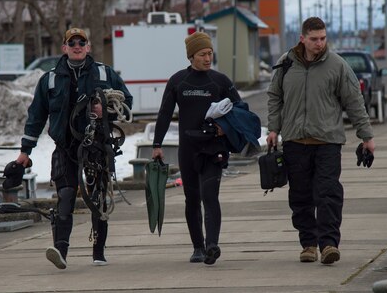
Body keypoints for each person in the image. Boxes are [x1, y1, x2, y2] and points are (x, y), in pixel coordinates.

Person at [16, 27, 132, 270]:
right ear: (64, 48)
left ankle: (98, 252)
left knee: (98, 197)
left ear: (88, 47)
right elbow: (36, 116)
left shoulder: (104, 73)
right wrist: (25, 151)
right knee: (66, 196)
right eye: (72, 42)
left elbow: (127, 101)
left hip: (98, 145)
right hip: (65, 146)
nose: (77, 46)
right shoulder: (49, 79)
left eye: (82, 42)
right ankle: (61, 251)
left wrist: (107, 111)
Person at [266, 17, 376, 265]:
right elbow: (274, 96)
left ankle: (328, 244)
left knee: (327, 194)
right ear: (302, 38)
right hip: (295, 142)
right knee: (301, 197)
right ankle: (308, 244)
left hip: (327, 141)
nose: (319, 43)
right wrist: (273, 128)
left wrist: (366, 136)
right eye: (314, 39)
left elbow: (354, 101)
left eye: (323, 38)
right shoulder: (286, 63)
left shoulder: (337, 65)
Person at [152, 31, 240, 265]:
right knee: (192, 199)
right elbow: (164, 114)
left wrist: (225, 128)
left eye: (210, 53)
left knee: (210, 196)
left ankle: (212, 245)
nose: (208, 58)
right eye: (202, 54)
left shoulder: (220, 81)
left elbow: (240, 109)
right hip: (188, 149)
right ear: (191, 56)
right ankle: (198, 247)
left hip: (213, 149)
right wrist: (157, 144)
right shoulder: (178, 81)